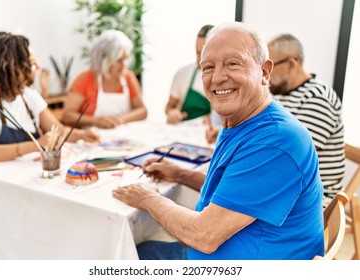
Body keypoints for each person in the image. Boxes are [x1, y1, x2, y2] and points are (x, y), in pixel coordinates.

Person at [113, 22, 324, 260]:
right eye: (208, 67)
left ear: (264, 71)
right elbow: (234, 192)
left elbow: (204, 235)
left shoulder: (276, 141)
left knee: (121, 253)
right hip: (230, 249)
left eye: (232, 63)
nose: (217, 78)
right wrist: (181, 174)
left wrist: (147, 198)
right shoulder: (243, 121)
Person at [0, 32, 100, 166]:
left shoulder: (28, 94)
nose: (38, 67)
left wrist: (82, 135)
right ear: (10, 68)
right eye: (31, 63)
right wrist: (34, 146)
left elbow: (57, 130)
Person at [268, 33, 345, 208]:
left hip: (313, 195)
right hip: (289, 186)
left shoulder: (318, 98)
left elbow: (293, 158)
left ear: (291, 64)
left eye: (271, 66)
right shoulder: (283, 94)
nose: (266, 74)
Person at [62, 29, 147, 129]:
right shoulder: (85, 79)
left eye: (126, 59)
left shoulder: (128, 78)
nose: (124, 64)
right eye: (119, 60)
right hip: (90, 138)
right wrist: (95, 121)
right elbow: (67, 116)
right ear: (104, 60)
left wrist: (119, 120)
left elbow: (142, 111)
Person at [165, 24, 213, 124]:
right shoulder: (182, 74)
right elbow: (169, 107)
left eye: (204, 53)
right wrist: (172, 113)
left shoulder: (223, 79)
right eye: (197, 52)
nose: (200, 58)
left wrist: (215, 119)